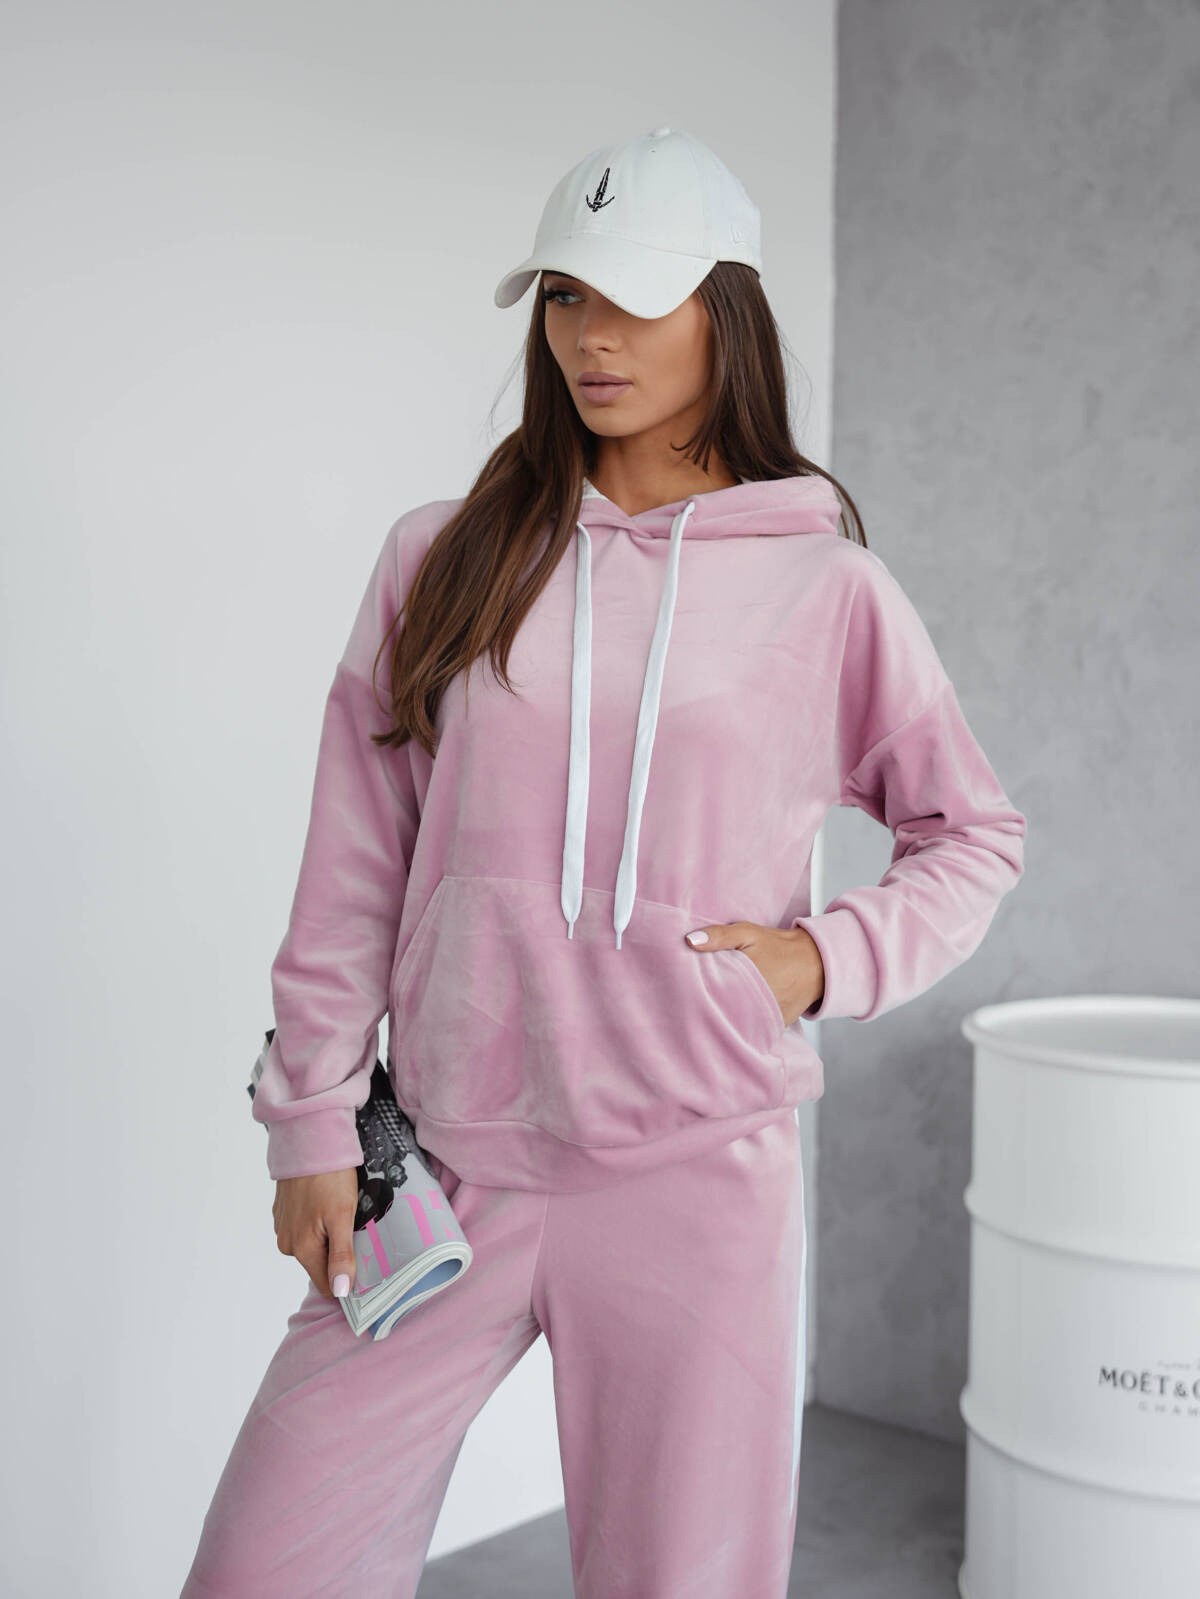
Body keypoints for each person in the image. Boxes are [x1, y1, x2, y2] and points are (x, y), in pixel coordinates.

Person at [180, 126, 1026, 1598]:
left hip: (696, 1175)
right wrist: (310, 1117)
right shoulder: (445, 556)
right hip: (445, 1162)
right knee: (266, 1567)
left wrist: (821, 958)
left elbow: (972, 833)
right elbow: (357, 859)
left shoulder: (827, 587)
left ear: (725, 310)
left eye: (633, 296)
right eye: (566, 296)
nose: (591, 336)